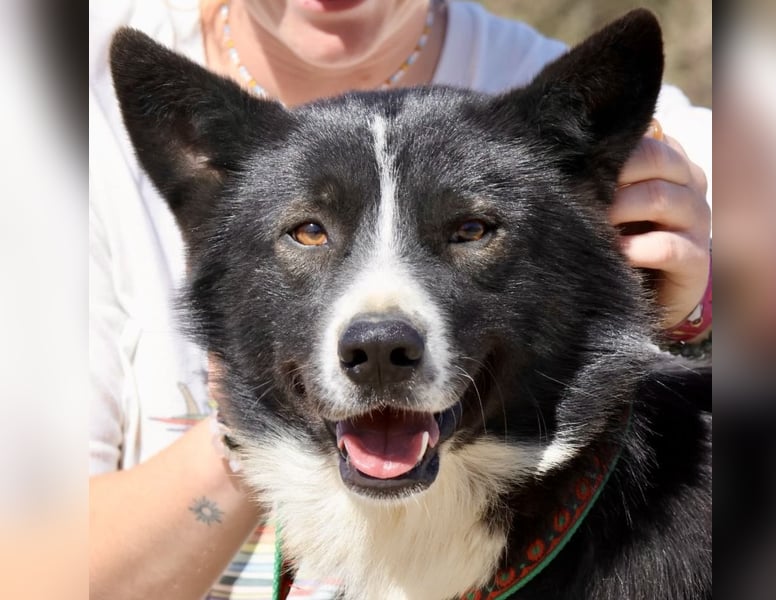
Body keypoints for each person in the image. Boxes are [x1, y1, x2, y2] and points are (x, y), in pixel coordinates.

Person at [89, 1, 712, 598]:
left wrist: (700, 298)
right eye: (309, 232)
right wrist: (244, 422)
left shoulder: (540, 87)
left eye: (470, 230)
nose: (381, 331)